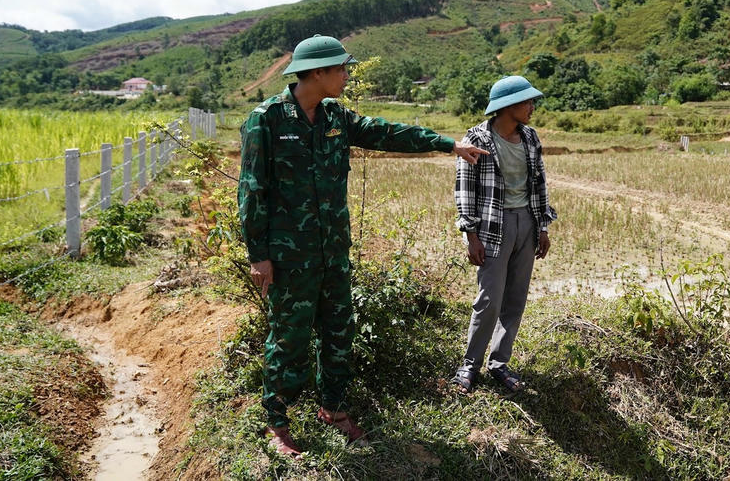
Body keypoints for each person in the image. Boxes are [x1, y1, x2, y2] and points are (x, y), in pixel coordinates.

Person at [238, 34, 486, 457]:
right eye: (341, 69)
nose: (346, 75)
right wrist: (259, 256)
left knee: (339, 333)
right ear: (316, 72)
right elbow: (252, 191)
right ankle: (277, 423)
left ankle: (332, 410)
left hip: (333, 252)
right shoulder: (267, 120)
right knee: (290, 338)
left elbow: (385, 132)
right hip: (289, 256)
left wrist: (447, 144)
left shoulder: (335, 115)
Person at [452, 75, 557, 393]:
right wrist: (471, 235)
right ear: (508, 106)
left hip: (526, 223)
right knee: (489, 300)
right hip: (493, 227)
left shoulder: (530, 138)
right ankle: (469, 366)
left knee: (515, 299)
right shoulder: (477, 139)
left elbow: (539, 184)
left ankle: (499, 363)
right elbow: (465, 188)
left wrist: (542, 227)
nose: (532, 107)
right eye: (527, 102)